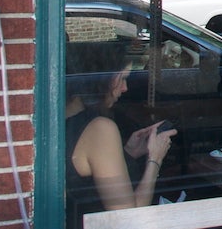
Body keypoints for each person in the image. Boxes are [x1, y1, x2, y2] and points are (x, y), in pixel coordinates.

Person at [65, 41, 177, 226]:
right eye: (122, 78)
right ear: (102, 78)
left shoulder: (60, 121)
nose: (125, 88)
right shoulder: (100, 129)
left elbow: (85, 178)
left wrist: (128, 153)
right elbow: (127, 219)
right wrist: (155, 160)